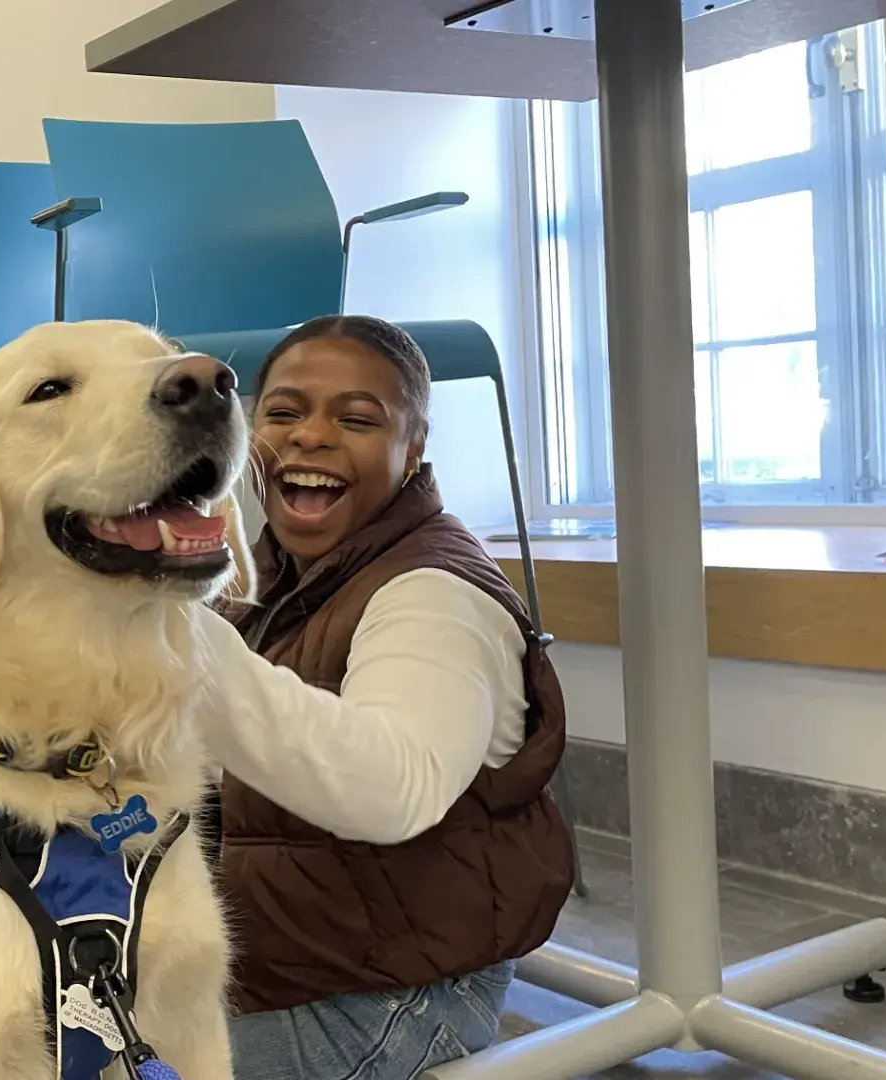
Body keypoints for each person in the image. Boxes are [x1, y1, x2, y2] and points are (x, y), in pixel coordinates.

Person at [192, 316, 575, 1079]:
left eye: (357, 418)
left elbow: (392, 791)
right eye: (284, 412)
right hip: (278, 966)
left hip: (394, 993)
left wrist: (177, 640)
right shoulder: (276, 574)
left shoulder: (432, 595)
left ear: (414, 449)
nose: (312, 436)